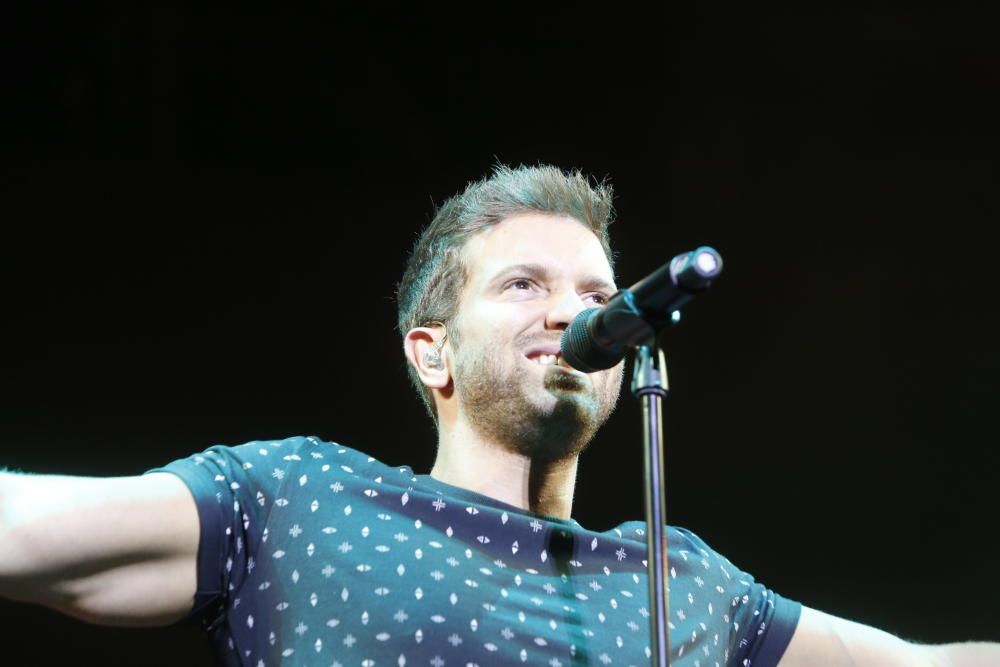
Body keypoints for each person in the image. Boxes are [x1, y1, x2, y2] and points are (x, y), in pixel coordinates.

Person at [0, 164, 995, 667]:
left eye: (592, 289)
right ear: (429, 350)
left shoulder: (684, 581)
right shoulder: (299, 497)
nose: (569, 310)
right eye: (521, 283)